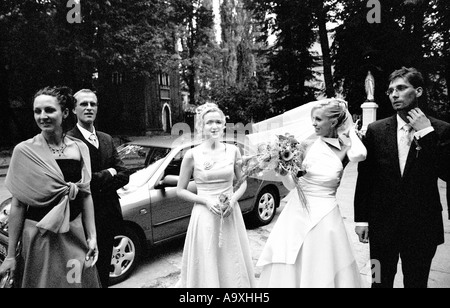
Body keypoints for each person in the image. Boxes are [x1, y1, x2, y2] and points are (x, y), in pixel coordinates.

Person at [354, 67, 450, 288]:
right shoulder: (376, 130)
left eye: (401, 88)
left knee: (416, 283)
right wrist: (361, 219)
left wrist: (426, 134)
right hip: (380, 228)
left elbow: (446, 172)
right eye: (390, 91)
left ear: (418, 91)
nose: (394, 94)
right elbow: (365, 179)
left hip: (421, 228)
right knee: (378, 280)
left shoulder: (441, 130)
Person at [257, 98, 367, 288]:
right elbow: (293, 186)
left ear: (333, 122)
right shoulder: (306, 146)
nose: (313, 124)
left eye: (318, 119)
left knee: (323, 264)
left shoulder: (347, 147)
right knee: (293, 261)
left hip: (326, 214)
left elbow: (360, 155)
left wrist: (351, 133)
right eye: (312, 119)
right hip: (297, 213)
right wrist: (283, 173)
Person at [0, 86, 100, 288]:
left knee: (77, 282)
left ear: (64, 113)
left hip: (74, 232)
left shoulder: (79, 148)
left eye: (49, 110)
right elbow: (18, 206)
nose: (42, 116)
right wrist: (11, 255)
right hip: (39, 236)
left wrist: (92, 237)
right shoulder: (24, 151)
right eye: (38, 111)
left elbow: (86, 195)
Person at [175, 103, 256, 288]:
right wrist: (205, 200)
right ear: (201, 126)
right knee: (208, 258)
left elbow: (242, 182)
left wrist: (233, 200)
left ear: (224, 125)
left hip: (230, 213)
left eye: (218, 122)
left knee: (231, 258)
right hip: (204, 214)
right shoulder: (191, 155)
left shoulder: (233, 150)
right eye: (209, 122)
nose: (214, 126)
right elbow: (181, 190)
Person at [67, 89, 130, 288]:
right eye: (83, 104)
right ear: (74, 109)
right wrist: (109, 173)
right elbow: (80, 181)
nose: (89, 108)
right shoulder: (69, 140)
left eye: (93, 104)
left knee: (103, 270)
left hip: (109, 215)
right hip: (81, 218)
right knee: (80, 271)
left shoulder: (106, 139)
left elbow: (124, 175)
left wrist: (99, 178)